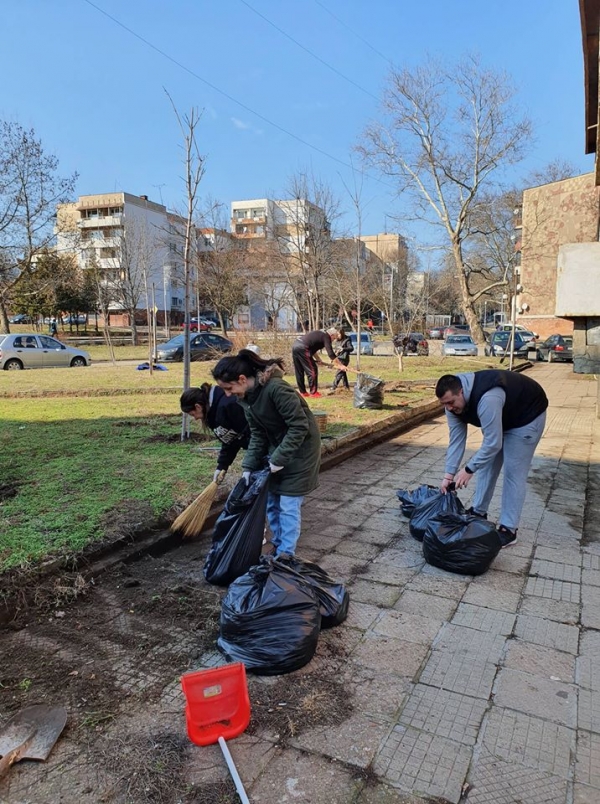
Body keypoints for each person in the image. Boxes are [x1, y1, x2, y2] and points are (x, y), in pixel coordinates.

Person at [212, 349, 321, 558]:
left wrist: (278, 459)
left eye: (228, 388)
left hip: (301, 452)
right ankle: (278, 543)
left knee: (288, 505)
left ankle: (286, 554)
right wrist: (248, 467)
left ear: (242, 379)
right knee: (271, 501)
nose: (227, 394)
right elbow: (257, 433)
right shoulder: (247, 398)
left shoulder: (277, 389)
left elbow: (299, 427)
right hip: (277, 449)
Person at [435, 370, 548, 547]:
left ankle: (509, 530)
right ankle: (479, 512)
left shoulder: (487, 398)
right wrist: (448, 475)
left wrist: (468, 469)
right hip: (502, 415)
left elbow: (493, 443)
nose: (449, 408)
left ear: (461, 392)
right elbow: (456, 441)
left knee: (513, 472)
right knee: (487, 465)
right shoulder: (451, 406)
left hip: (526, 416)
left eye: (451, 402)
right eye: (445, 404)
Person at [180, 384, 250, 482]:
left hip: (267, 450)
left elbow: (253, 435)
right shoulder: (211, 414)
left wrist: (250, 466)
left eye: (193, 414)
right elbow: (230, 439)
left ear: (198, 406)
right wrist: (222, 466)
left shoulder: (229, 405)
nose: (195, 418)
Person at [292, 328, 346, 398]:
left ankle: (303, 392)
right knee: (312, 370)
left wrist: (318, 359)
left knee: (299, 371)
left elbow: (312, 348)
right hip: (303, 348)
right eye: (334, 338)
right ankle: (313, 393)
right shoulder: (326, 337)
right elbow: (331, 354)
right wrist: (341, 365)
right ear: (331, 335)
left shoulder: (320, 334)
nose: (333, 340)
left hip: (296, 345)